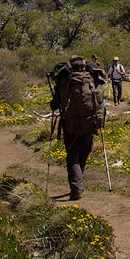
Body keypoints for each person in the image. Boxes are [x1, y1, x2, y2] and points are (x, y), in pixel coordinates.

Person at [51, 55, 106, 200]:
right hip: (89, 122)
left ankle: (76, 188)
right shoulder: (91, 77)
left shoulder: (65, 78)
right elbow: (100, 98)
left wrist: (53, 105)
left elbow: (57, 101)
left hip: (70, 124)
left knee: (72, 155)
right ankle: (78, 181)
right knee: (84, 150)